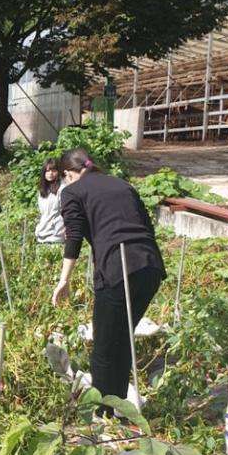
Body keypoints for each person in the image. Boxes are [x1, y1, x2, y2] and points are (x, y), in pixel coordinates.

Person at [51, 148, 165, 410]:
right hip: (150, 266)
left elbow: (74, 236)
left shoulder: (73, 191)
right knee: (122, 337)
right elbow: (147, 226)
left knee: (104, 344)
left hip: (118, 269)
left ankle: (103, 411)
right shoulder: (122, 184)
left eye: (65, 178)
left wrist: (64, 280)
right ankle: (118, 406)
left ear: (69, 174)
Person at [35, 157, 65, 244]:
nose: (50, 173)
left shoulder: (63, 188)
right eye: (47, 171)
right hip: (42, 234)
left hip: (57, 235)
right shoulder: (42, 190)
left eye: (53, 170)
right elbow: (41, 213)